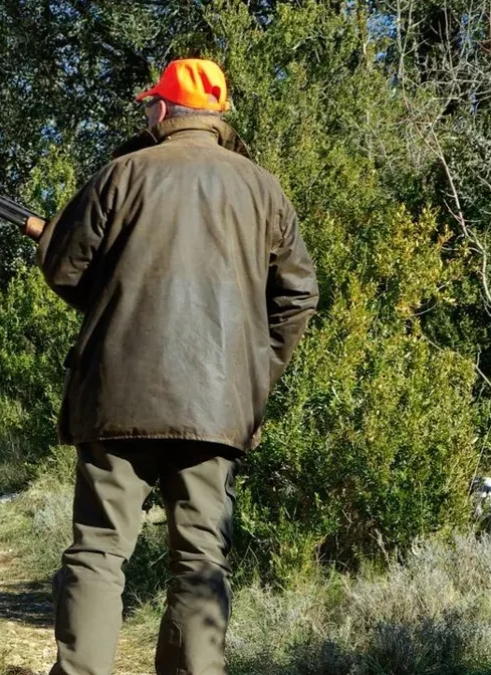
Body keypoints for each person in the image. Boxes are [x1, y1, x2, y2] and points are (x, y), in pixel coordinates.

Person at [35, 58, 320, 675]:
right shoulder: (263, 188)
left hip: (116, 401)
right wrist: (254, 376)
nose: (146, 114)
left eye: (149, 106)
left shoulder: (122, 174)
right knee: (200, 560)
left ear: (163, 110)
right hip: (219, 409)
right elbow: (298, 295)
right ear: (216, 117)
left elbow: (66, 270)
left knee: (98, 554)